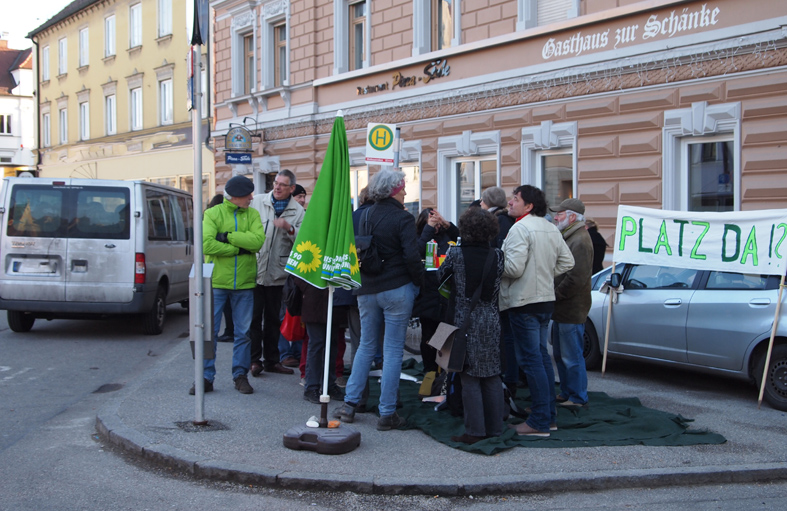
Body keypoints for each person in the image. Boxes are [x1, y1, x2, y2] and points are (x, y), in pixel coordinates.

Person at [333, 169, 423, 431]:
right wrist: (419, 281)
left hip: (366, 287)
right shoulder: (402, 218)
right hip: (396, 287)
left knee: (365, 347)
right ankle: (387, 413)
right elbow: (411, 256)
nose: (406, 191)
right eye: (404, 187)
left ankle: (349, 405)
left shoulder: (365, 215)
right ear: (395, 190)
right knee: (393, 350)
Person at [499, 185, 574, 437]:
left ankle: (540, 421)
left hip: (524, 302)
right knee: (540, 359)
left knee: (533, 362)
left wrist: (495, 261)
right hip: (543, 301)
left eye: (515, 199)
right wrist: (542, 275)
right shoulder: (550, 227)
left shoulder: (520, 228)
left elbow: (513, 269)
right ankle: (547, 417)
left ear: (529, 206)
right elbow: (567, 262)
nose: (510, 202)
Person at [437, 207, 505, 444]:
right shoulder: (497, 255)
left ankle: (474, 431)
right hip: (490, 317)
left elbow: (441, 276)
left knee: (469, 376)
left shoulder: (455, 254)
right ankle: (496, 428)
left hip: (464, 319)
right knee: (491, 374)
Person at [192, 176, 265, 395]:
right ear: (236, 197)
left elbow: (258, 241)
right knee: (209, 332)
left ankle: (240, 376)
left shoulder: (253, 214)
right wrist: (238, 249)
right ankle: (205, 377)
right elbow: (207, 244)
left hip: (244, 283)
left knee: (243, 333)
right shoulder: (212, 214)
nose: (252, 198)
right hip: (216, 282)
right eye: (248, 195)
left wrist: (228, 237)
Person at [249, 169, 305, 377]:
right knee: (254, 319)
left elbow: (303, 241)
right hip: (256, 269)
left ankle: (272, 360)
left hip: (278, 274)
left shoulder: (297, 211)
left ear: (291, 188)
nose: (277, 187)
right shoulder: (258, 202)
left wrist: (290, 229)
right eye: (276, 183)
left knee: (274, 319)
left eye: (282, 185)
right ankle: (254, 361)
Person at [550, 198, 594, 408]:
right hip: (564, 307)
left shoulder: (580, 240)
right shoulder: (571, 236)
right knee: (561, 355)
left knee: (571, 356)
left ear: (572, 217)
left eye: (559, 214)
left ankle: (577, 397)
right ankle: (568, 392)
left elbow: (576, 278)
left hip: (571, 307)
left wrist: (555, 295)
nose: (555, 217)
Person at [414, 207, 458, 373]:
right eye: (432, 224)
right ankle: (429, 371)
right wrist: (428, 229)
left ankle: (442, 371)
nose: (436, 228)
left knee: (444, 335)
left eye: (437, 224)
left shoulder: (446, 237)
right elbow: (417, 251)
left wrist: (446, 224)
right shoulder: (420, 238)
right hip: (427, 295)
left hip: (445, 296)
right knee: (428, 336)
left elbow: (460, 238)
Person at [295, 278, 347, 403]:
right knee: (316, 343)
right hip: (314, 298)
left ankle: (329, 384)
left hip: (335, 299)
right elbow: (296, 271)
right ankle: (311, 386)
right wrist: (309, 286)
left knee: (333, 343)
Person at [278, 184, 309, 368]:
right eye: (299, 196)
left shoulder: (305, 216)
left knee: (298, 312)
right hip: (283, 273)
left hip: (301, 272)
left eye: (304, 196)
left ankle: (297, 351)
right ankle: (285, 353)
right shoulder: (282, 215)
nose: (302, 199)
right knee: (285, 313)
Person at [207, 193, 235, 343]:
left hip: (216, 273)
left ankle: (229, 331)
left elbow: (208, 246)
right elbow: (208, 245)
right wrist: (236, 249)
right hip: (229, 273)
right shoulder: (220, 219)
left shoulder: (212, 219)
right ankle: (230, 330)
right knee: (227, 308)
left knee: (217, 311)